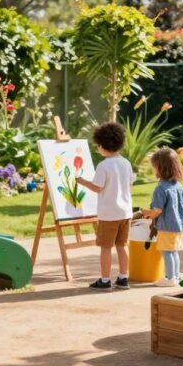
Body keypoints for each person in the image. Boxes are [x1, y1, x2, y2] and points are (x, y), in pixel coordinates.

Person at [77, 122, 135, 291]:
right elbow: (129, 184)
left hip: (109, 214)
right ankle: (123, 278)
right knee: (122, 246)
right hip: (125, 213)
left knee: (105, 247)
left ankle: (104, 280)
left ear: (102, 146)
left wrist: (82, 181)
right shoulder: (126, 163)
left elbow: (97, 187)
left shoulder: (104, 165)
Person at [142, 148, 183, 287]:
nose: (154, 170)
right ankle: (176, 276)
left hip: (167, 226)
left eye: (154, 167)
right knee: (173, 251)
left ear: (160, 168)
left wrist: (147, 213)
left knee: (167, 251)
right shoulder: (178, 185)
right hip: (180, 225)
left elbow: (157, 210)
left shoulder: (161, 188)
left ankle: (169, 278)